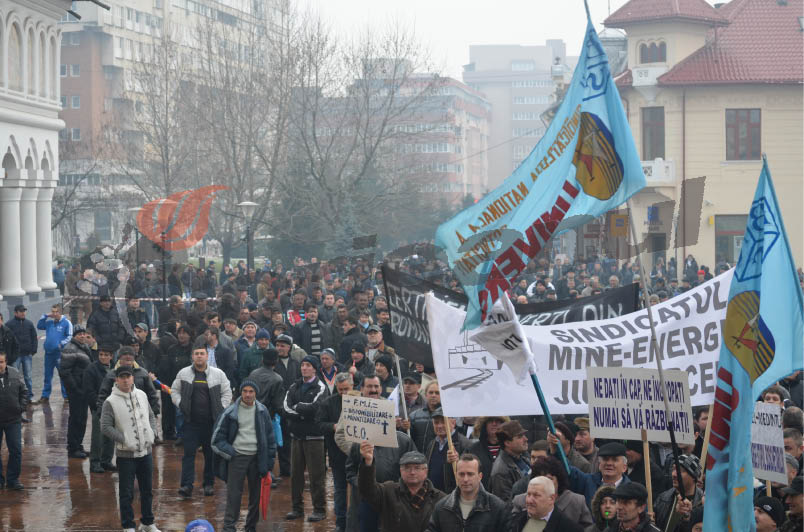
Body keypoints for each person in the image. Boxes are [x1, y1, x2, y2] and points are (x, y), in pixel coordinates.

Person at [100, 365, 160, 532]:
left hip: (146, 452)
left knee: (147, 490)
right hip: (126, 455)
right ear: (116, 379)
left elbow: (150, 415)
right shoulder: (110, 402)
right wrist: (124, 439)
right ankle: (128, 525)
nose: (126, 380)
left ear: (133, 378)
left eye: (128, 376)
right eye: (122, 377)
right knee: (126, 493)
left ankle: (148, 522)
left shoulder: (142, 395)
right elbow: (105, 427)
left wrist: (153, 433)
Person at [211, 379, 277, 532]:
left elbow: (270, 438)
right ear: (240, 392)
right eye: (245, 391)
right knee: (234, 495)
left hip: (257, 458)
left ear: (256, 393)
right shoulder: (230, 412)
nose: (247, 394)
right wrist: (231, 452)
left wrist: (268, 463)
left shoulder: (262, 411)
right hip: (237, 457)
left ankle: (250, 527)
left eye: (251, 391)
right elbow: (216, 439)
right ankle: (229, 527)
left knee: (256, 496)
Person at [172, 346, 232, 498]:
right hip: (190, 422)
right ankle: (186, 485)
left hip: (211, 423)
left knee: (210, 455)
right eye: (196, 354)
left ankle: (209, 484)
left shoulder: (218, 374)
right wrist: (180, 404)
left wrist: (222, 408)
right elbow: (174, 390)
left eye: (202, 354)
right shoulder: (183, 373)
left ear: (207, 356)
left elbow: (227, 392)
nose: (199, 356)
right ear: (192, 356)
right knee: (188, 454)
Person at [283, 355, 329, 522]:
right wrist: (302, 413)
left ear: (315, 369)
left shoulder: (321, 387)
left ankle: (320, 509)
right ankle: (297, 508)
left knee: (316, 475)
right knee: (295, 475)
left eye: (308, 365)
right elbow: (286, 408)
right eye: (303, 365)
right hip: (296, 437)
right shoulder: (294, 386)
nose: (304, 368)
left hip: (315, 438)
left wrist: (298, 409)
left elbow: (317, 409)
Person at [359, 445, 446, 532]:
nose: (412, 472)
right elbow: (367, 489)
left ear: (426, 471)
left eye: (417, 468)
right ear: (401, 471)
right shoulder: (388, 491)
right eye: (407, 468)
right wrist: (368, 462)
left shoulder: (440, 498)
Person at [426, 453, 511, 531]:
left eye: (470, 474)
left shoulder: (497, 508)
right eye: (461, 474)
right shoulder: (441, 508)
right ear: (456, 475)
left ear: (480, 476)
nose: (465, 479)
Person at [315, 372, 354, 532]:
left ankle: (356, 522)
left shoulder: (360, 401)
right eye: (341, 390)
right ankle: (341, 522)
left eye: (347, 389)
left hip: (358, 454)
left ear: (353, 386)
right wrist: (334, 427)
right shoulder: (328, 403)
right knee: (340, 489)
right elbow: (318, 424)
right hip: (337, 453)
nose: (344, 393)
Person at [511, 455, 594, 528]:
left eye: (549, 479)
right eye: (540, 478)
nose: (544, 482)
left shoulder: (576, 502)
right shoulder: (520, 501)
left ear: (559, 481)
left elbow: (588, 529)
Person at [558, 440, 632, 506]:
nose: (609, 463)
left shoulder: (631, 490)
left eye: (614, 460)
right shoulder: (587, 482)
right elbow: (565, 468)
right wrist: (556, 447)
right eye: (605, 459)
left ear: (624, 467)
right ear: (599, 464)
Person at [59, 326, 94, 458]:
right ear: (74, 336)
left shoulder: (83, 347)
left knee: (82, 419)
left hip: (83, 389)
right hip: (76, 391)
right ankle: (73, 448)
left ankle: (78, 445)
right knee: (76, 418)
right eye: (79, 334)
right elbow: (64, 372)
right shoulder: (70, 348)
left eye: (84, 334)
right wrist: (75, 388)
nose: (82, 336)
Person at [511, 476, 585, 532]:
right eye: (528, 494)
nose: (530, 500)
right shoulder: (517, 520)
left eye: (536, 495)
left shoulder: (570, 528)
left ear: (551, 499)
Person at [84, 344, 115, 473]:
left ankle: (106, 461)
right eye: (101, 354)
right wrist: (97, 405)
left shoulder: (114, 369)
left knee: (111, 436)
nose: (103, 357)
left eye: (106, 355)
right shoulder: (91, 369)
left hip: (113, 407)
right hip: (98, 407)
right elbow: (88, 390)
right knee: (97, 437)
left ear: (111, 356)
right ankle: (95, 462)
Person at [653, 454, 702, 531]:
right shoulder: (662, 498)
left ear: (693, 476)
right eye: (673, 469)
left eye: (680, 471)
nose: (674, 474)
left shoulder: (703, 503)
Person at [0, 351, 26, 490]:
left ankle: (13, 480)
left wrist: (20, 408)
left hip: (13, 419)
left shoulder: (15, 373)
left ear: (6, 362)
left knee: (16, 450)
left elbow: (24, 391)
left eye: (1, 362)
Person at [36, 304, 72, 402]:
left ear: (61, 312)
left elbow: (69, 336)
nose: (54, 314)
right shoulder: (49, 323)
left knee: (63, 375)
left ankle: (66, 396)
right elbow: (39, 326)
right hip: (48, 354)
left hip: (60, 354)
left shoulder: (66, 323)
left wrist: (61, 344)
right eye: (53, 312)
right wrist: (45, 316)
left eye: (56, 312)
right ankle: (45, 396)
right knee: (47, 376)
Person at [425, 408, 467, 493]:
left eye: (443, 422)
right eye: (436, 422)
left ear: (453, 423)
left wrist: (457, 462)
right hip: (433, 495)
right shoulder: (432, 443)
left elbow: (468, 472)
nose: (439, 426)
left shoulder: (464, 444)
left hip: (452, 495)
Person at [490, 420, 530, 502]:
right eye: (519, 437)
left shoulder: (523, 457)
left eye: (524, 435)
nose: (526, 439)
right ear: (507, 443)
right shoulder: (501, 472)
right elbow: (506, 506)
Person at [466, 416, 508, 491]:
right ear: (484, 424)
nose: (494, 424)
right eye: (490, 420)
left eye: (498, 420)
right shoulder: (472, 449)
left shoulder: (511, 448)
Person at [7, 305, 37, 401]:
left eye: (24, 311)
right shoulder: (9, 325)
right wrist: (10, 355)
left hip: (27, 355)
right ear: (15, 313)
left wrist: (33, 350)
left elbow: (34, 337)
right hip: (16, 356)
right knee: (15, 377)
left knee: (28, 376)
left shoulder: (29, 323)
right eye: (21, 311)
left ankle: (30, 396)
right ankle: (17, 396)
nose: (23, 313)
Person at [246, 348, 285, 419]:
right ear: (277, 360)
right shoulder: (278, 379)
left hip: (252, 413)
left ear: (262, 359)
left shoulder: (253, 374)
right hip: (268, 416)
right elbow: (277, 404)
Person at [410, 380, 442, 453]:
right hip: (418, 457)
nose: (433, 395)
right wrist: (403, 427)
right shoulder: (414, 415)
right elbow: (409, 437)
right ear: (425, 394)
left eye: (437, 393)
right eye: (431, 392)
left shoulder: (447, 417)